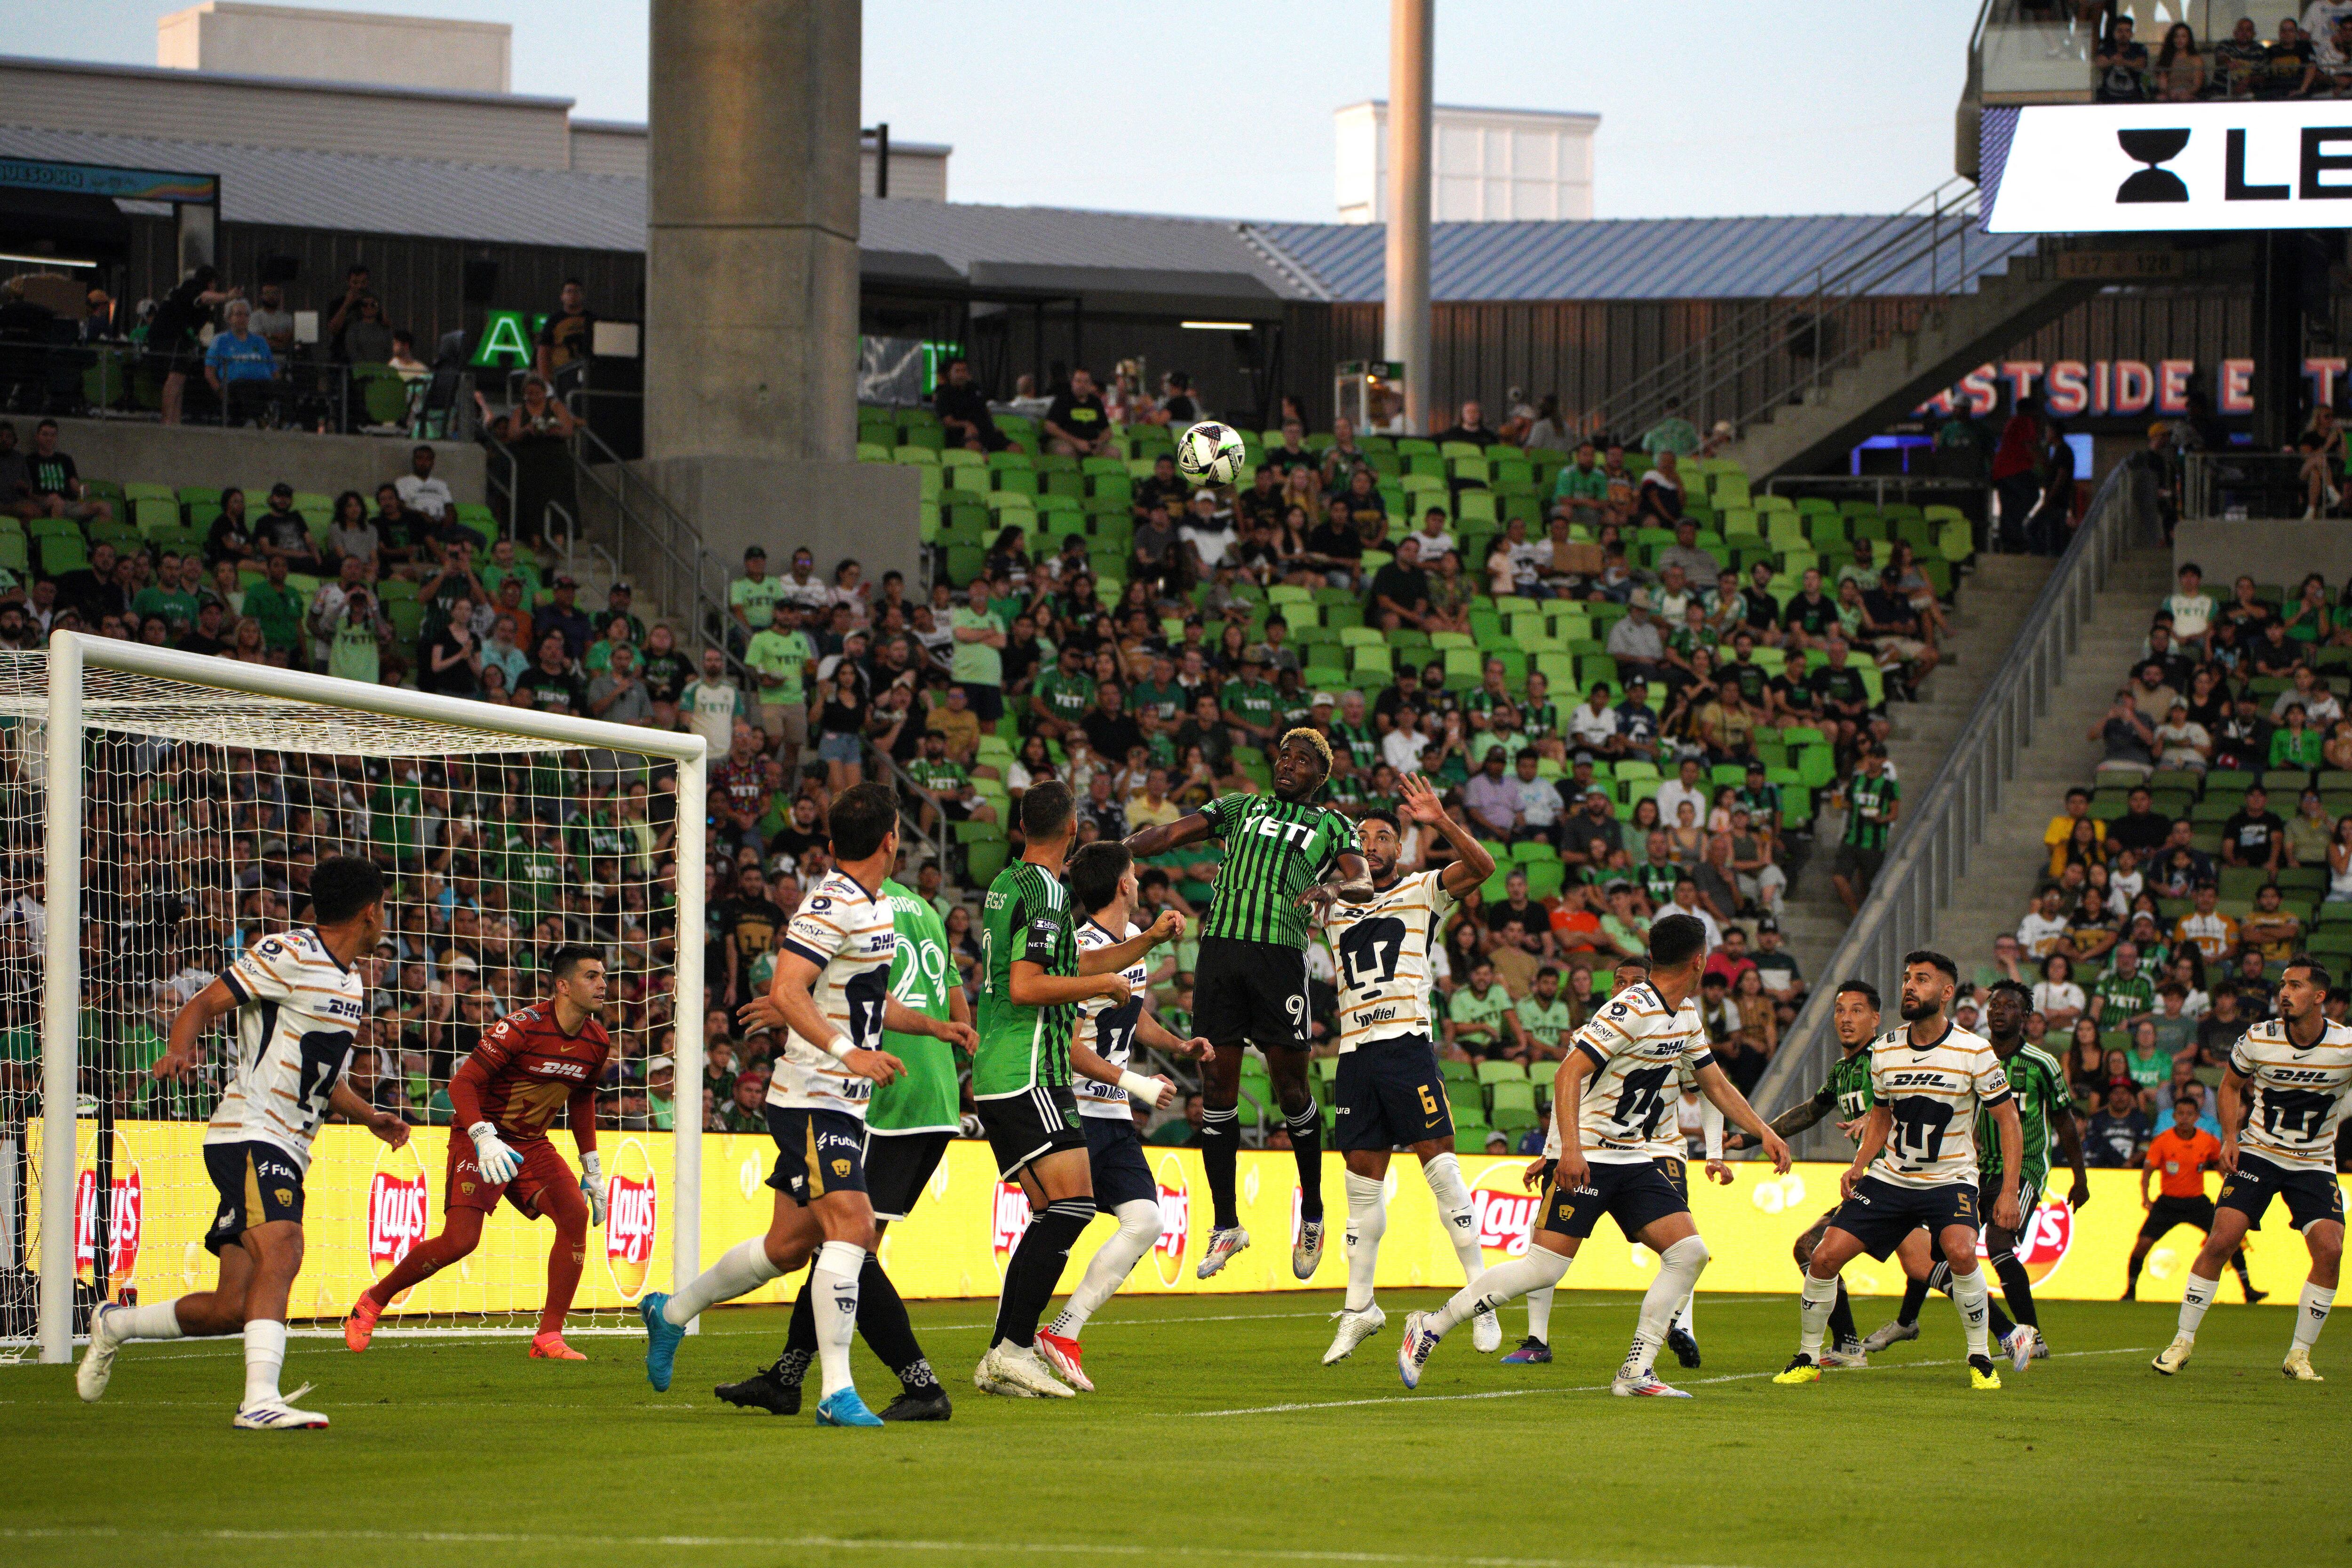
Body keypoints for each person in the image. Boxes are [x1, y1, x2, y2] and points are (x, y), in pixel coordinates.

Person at [637, 785, 975, 1425]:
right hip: (812, 1096)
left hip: (841, 1101)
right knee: (854, 1227)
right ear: (891, 839)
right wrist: (849, 1054)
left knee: (787, 1247)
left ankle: (671, 1311)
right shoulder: (831, 901)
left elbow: (867, 1001)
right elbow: (787, 988)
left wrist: (935, 1027)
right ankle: (835, 1391)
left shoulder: (875, 910)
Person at [1397, 915, 1791, 1398]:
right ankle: (1430, 1326)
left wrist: (1763, 1131)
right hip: (1590, 1155)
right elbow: (1567, 1074)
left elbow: (1713, 1083)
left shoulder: (1684, 1014)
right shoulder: (1629, 1009)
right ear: (1698, 960)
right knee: (1543, 1268)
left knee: (1688, 1253)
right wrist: (1570, 1151)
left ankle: (1635, 1372)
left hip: (1631, 1158)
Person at [79, 858, 405, 1429]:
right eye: (385, 910)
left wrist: (369, 1115)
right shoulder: (289, 954)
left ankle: (114, 1324)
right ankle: (258, 1400)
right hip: (250, 1130)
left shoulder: (349, 978)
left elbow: (320, 1075)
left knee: (233, 1306)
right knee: (284, 1248)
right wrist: (181, 1050)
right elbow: (202, 1004)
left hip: (289, 1143)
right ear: (370, 911)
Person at [715, 875, 969, 1422]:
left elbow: (844, 990)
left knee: (849, 1245)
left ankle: (921, 1386)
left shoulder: (857, 902)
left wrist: (789, 1005)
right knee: (819, 1243)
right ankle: (787, 1377)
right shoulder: (926, 908)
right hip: (931, 1091)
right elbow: (954, 1009)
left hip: (875, 1094)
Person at [1122, 729, 1369, 1281]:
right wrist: (1120, 849)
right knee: (1216, 1086)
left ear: (1319, 777)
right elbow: (1169, 833)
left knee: (1290, 1090)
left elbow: (1363, 880)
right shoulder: (1239, 806)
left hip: (1279, 957)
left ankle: (1312, 1211)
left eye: (1302, 761)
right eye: (1284, 755)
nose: (1288, 765)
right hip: (1220, 956)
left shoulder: (1331, 824)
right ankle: (1226, 1224)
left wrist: (1331, 891)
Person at [969, 783, 1179, 1398]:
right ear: (1072, 828)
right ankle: (1013, 1348)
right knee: (1071, 1208)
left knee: (1057, 1211)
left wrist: (1138, 952)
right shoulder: (1048, 894)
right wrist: (1112, 985)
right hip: (1027, 1065)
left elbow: (1069, 966)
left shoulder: (1010, 882)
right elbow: (1030, 986)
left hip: (1008, 1069)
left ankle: (1005, 1355)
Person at [342, 948, 612, 1360]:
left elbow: (582, 1100)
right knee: (461, 1241)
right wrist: (484, 1137)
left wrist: (591, 1166)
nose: (603, 984)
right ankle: (372, 1302)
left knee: (575, 1214)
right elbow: (461, 1085)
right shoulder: (520, 1028)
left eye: (604, 977)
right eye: (592, 976)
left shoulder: (597, 1040)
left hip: (530, 1142)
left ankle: (548, 1337)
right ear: (563, 985)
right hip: (479, 1135)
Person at [1774, 949, 2024, 1391]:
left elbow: (2008, 1121)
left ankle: (1981, 1358)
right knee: (1823, 1256)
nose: (1910, 986)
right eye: (1908, 978)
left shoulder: (1974, 1050)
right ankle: (1808, 1356)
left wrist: (2007, 1192)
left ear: (1946, 993)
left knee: (1962, 1252)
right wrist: (1859, 1165)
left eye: (1922, 979)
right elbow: (1883, 1117)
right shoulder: (1887, 1049)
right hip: (1891, 1178)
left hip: (1949, 1178)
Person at [1319, 778, 1503, 1365]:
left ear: (1398, 849)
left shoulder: (1424, 889)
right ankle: (1358, 1308)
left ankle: (1482, 1297)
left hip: (1405, 1046)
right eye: (1361, 837)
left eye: (1382, 837)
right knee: (1360, 1186)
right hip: (1354, 1053)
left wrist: (1441, 821)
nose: (1370, 844)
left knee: (1442, 1170)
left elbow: (1483, 866)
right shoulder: (1328, 904)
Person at [1033, 842, 1214, 1390]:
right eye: (1133, 873)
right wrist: (1134, 1081)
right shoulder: (1083, 950)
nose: (1137, 880)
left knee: (1147, 1221)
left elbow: (1131, 1022)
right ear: (1123, 886)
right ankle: (1012, 1337)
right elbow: (1065, 1044)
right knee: (1058, 1224)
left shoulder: (1128, 951)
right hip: (1078, 1110)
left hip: (1111, 1115)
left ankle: (1062, 1329)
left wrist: (1178, 1046)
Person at [2153, 958, 2348, 1381]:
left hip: (2314, 1162)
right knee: (2221, 1238)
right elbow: (2229, 1085)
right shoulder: (2259, 1037)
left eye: (2295, 986)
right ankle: (2181, 1341)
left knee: (2331, 1249)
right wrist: (2230, 1137)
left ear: (2319, 997)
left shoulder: (2346, 1046)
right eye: (2283, 984)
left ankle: (2299, 1355)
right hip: (2260, 1152)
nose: (2283, 992)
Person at [1724, 979, 1886, 1368]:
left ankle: (2004, 1332)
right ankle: (1849, 1344)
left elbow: (1911, 1100)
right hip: (1875, 1183)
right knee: (1813, 1250)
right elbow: (1810, 1111)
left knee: (1934, 1264)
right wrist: (1755, 1137)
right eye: (1840, 1010)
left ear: (1876, 1019)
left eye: (1857, 1010)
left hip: (1902, 1179)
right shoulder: (1844, 1070)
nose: (1845, 1018)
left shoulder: (1887, 1058)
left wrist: (1875, 1115)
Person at [2126, 1093, 2264, 1305]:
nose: (2185, 1118)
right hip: (2168, 1203)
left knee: (2229, 1241)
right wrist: (2146, 1198)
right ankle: (2130, 1291)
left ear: (2197, 1117)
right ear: (2174, 1116)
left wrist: (2233, 1192)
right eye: (2180, 1114)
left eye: (2189, 1114)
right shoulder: (2163, 1141)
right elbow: (2147, 1171)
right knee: (2142, 1245)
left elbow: (2222, 1168)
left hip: (2197, 1202)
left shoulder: (2207, 1141)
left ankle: (2248, 1291)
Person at [1832, 749, 1898, 914]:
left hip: (1874, 843)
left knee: (1867, 887)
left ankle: (1865, 915)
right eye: (1871, 756)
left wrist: (1880, 819)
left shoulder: (1890, 785)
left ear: (1884, 760)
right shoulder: (1857, 780)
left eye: (1877, 757)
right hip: (1852, 838)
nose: (1873, 760)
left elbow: (1894, 814)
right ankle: (1856, 914)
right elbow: (1848, 803)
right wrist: (1841, 803)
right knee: (1839, 878)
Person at [1043, 366, 1115, 457]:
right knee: (1065, 451)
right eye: (1079, 381)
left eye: (1086, 382)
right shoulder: (1062, 400)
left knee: (1113, 453)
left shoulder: (1096, 402)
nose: (1082, 385)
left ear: (1090, 384)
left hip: (1091, 443)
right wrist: (1076, 442)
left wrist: (1099, 443)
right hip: (1066, 442)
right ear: (1072, 383)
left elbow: (1107, 430)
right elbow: (1050, 427)